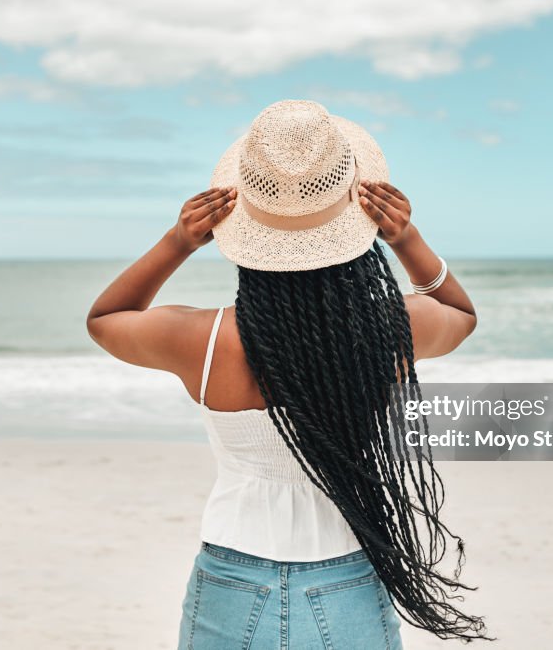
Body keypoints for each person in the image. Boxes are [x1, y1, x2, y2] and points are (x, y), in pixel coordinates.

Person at [87, 100, 488, 648]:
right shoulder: (393, 330)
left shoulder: (200, 341)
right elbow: (462, 316)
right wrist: (406, 240)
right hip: (346, 569)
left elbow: (106, 319)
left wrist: (178, 241)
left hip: (231, 577)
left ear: (241, 223)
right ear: (356, 220)